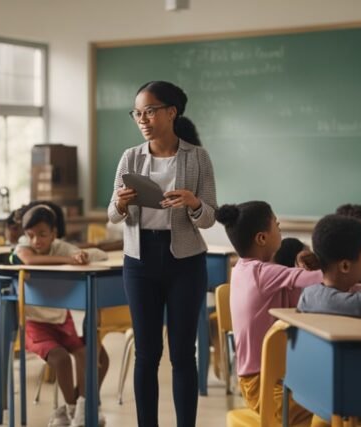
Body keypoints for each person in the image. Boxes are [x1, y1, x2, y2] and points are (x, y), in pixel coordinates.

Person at [107, 80, 217, 427]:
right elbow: (112, 215)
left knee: (183, 354)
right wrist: (121, 204)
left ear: (171, 112)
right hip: (139, 261)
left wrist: (194, 203)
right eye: (137, 113)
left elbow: (210, 217)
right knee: (147, 354)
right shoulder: (130, 156)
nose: (143, 119)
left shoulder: (197, 157)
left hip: (185, 260)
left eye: (150, 111)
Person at [220, 201, 321, 426]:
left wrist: (299, 266)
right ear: (262, 238)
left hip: (269, 379)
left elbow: (294, 294)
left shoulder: (243, 269)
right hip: (263, 385)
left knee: (324, 404)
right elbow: (322, 279)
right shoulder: (261, 273)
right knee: (325, 410)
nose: (280, 228)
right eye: (276, 224)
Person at [13, 204, 109, 427]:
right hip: (35, 325)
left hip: (61, 321)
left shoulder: (60, 247)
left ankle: (84, 409)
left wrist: (82, 255)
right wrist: (69, 260)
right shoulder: (22, 247)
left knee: (88, 355)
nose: (37, 240)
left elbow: (99, 255)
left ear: (54, 234)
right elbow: (29, 260)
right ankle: (71, 408)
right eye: (31, 235)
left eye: (43, 235)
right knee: (61, 359)